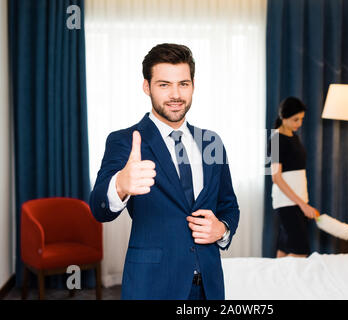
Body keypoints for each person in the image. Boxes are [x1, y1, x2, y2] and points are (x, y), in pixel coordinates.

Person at [89, 43, 240, 300]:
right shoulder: (125, 140)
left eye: (183, 83)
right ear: (146, 86)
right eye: (164, 84)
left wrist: (222, 230)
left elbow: (229, 205)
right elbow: (98, 209)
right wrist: (120, 185)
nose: (175, 94)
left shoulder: (211, 142)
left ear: (193, 85)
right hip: (153, 285)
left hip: (209, 285)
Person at [269, 97, 318, 258]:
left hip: (297, 199)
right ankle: (290, 283)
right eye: (295, 119)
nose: (300, 123)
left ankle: (275, 281)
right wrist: (302, 205)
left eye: (301, 119)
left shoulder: (293, 136)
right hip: (287, 202)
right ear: (283, 117)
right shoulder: (276, 139)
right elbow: (276, 177)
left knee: (284, 246)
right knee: (300, 250)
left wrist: (302, 202)